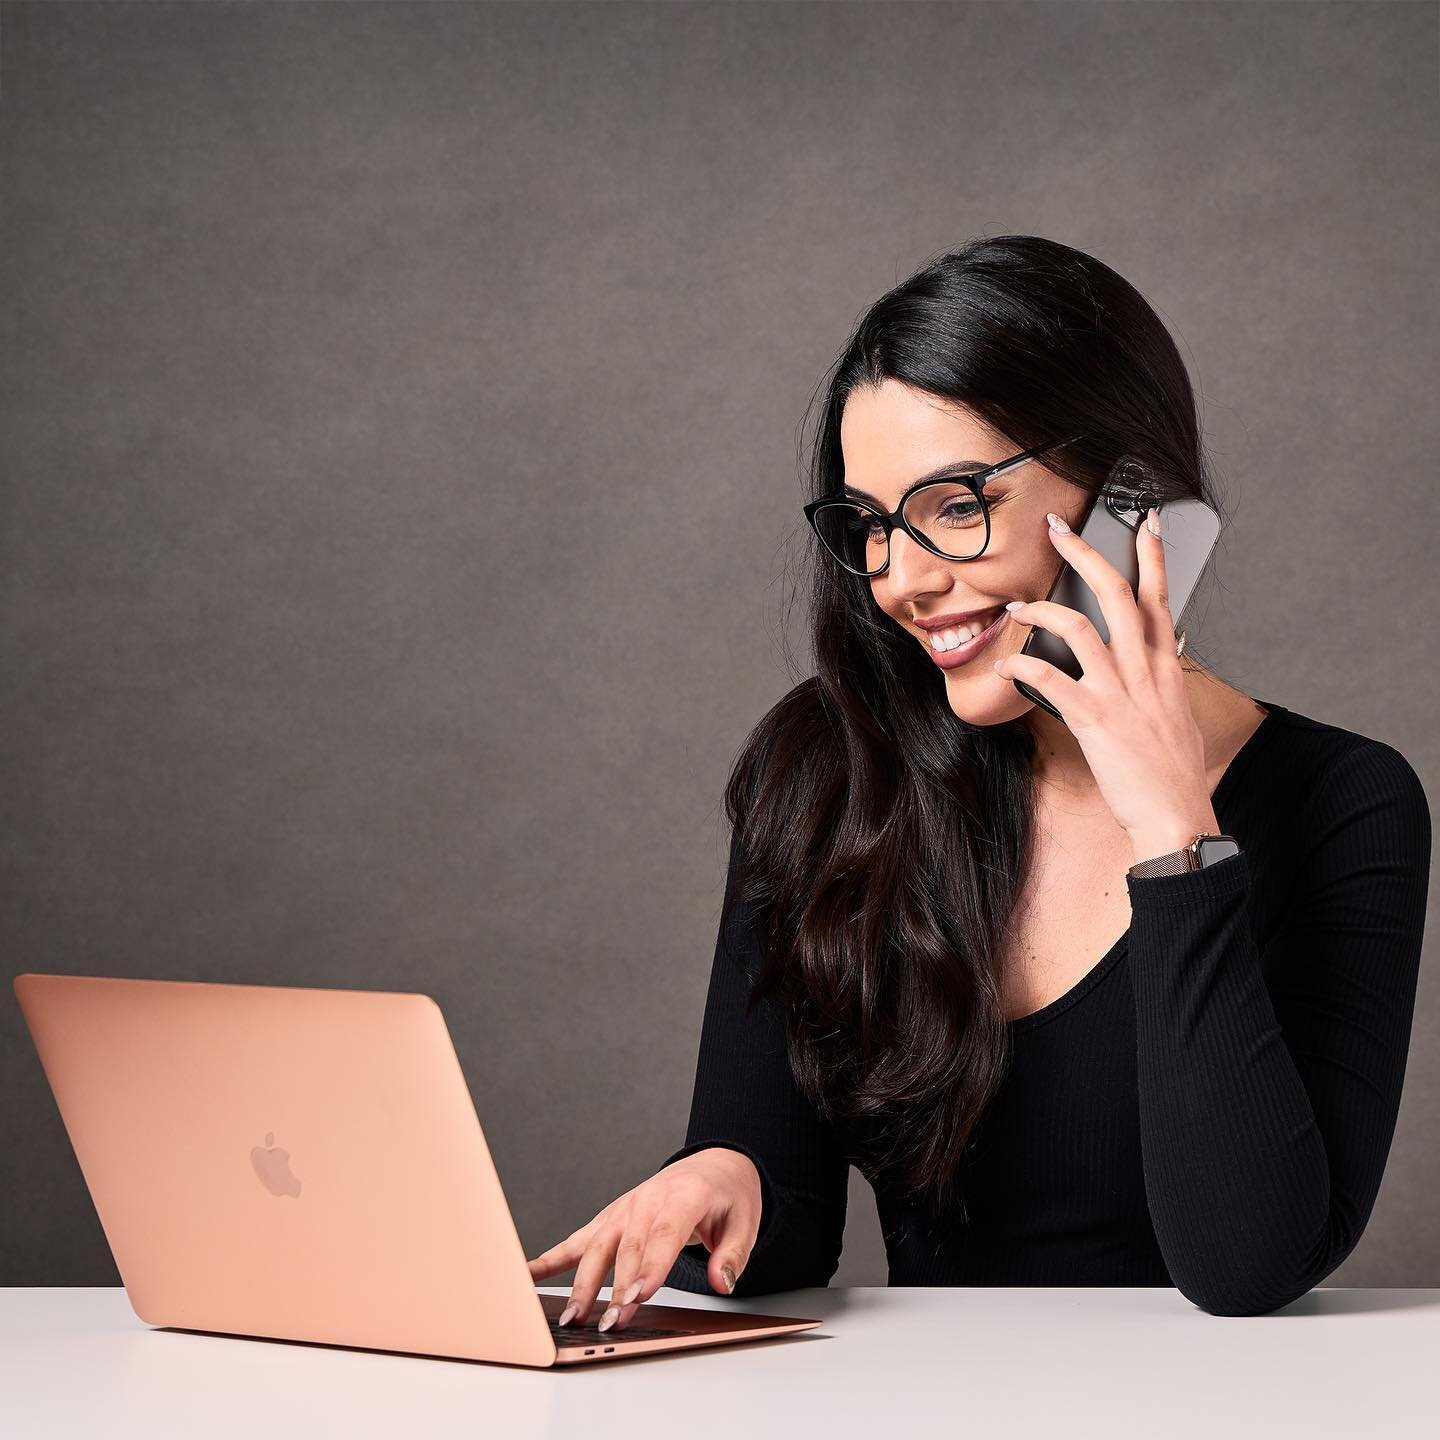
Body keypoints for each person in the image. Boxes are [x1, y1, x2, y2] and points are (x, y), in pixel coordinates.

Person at [526, 234, 1432, 1331]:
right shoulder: (824, 767)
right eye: (868, 524)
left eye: (956, 505)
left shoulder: (1346, 803)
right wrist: (723, 1175)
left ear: (1128, 493)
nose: (901, 580)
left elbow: (1246, 1265)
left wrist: (1174, 832)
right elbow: (791, 1217)